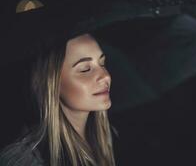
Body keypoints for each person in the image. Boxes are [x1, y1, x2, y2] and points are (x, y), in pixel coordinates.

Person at [0, 33, 116, 166]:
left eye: (102, 63)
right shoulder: (26, 159)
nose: (105, 76)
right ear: (50, 83)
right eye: (85, 69)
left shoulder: (110, 136)